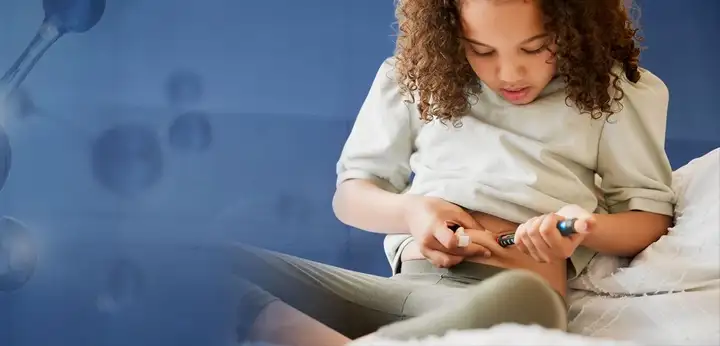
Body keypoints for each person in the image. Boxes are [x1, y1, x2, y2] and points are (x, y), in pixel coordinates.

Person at [232, 0, 676, 345]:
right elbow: (350, 196)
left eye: (536, 47)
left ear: (575, 25)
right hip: (400, 291)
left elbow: (650, 219)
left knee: (531, 302)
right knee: (205, 263)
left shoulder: (613, 92)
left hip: (509, 293)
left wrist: (584, 228)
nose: (509, 73)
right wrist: (414, 213)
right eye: (481, 50)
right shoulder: (414, 78)